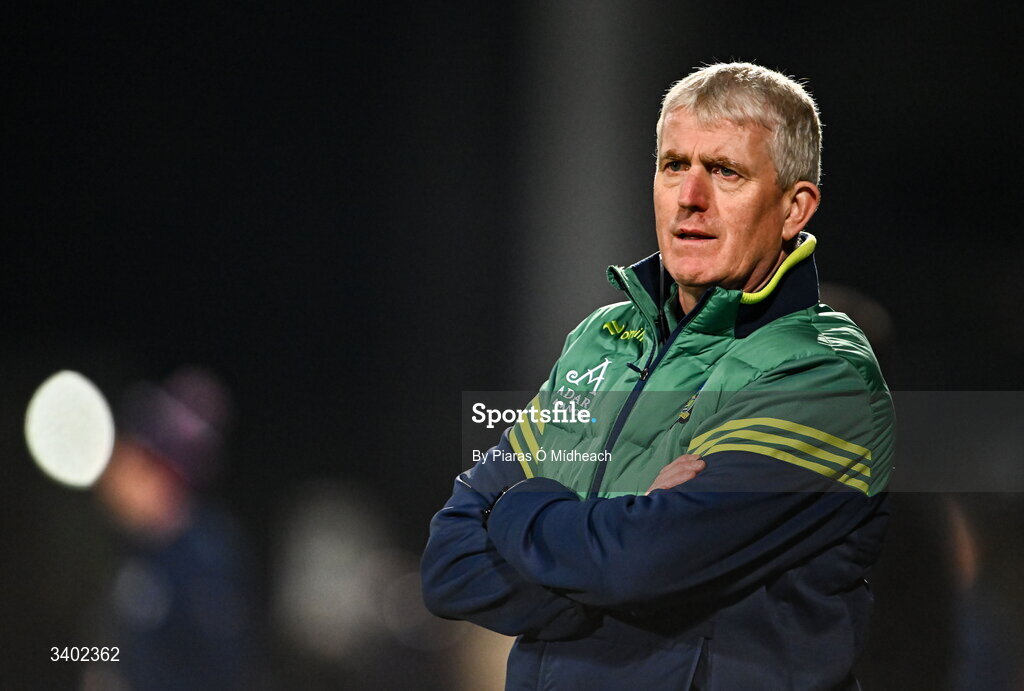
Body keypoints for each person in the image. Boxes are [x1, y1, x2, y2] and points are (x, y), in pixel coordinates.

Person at [422, 62, 894, 690]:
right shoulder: (601, 342)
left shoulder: (820, 375)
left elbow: (640, 565)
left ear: (793, 209)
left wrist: (519, 505)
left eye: (725, 172)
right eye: (674, 165)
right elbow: (448, 565)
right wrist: (622, 537)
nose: (690, 197)